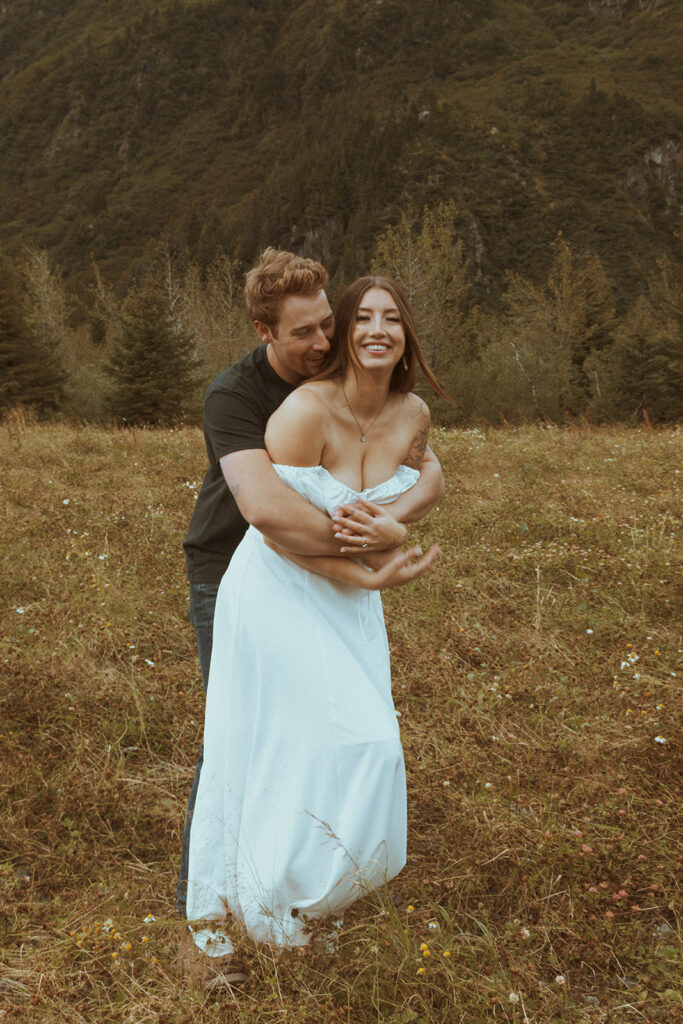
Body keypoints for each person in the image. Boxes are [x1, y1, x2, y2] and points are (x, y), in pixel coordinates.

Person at [177, 251, 444, 967]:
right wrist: (373, 553)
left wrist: (401, 520)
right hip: (234, 568)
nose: (324, 342)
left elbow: (419, 459)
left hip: (328, 580)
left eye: (329, 323)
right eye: (304, 334)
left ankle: (295, 883)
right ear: (264, 332)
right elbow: (265, 512)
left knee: (322, 740)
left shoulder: (347, 381)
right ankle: (208, 917)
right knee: (237, 734)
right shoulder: (236, 396)